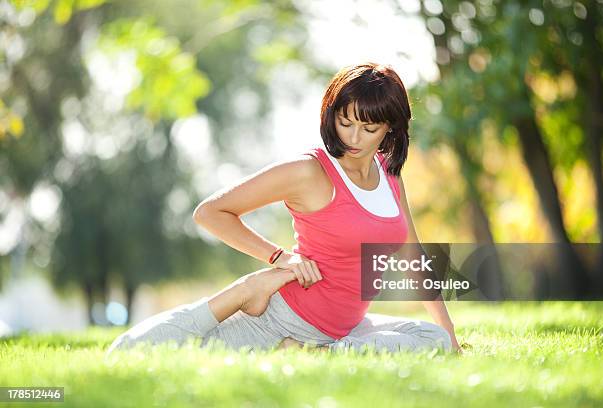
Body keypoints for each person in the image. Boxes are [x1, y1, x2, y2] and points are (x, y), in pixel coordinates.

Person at [106, 62, 462, 357]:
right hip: (283, 319)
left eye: (368, 128)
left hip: (347, 328)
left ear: (389, 130)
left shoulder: (390, 177)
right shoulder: (308, 172)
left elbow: (412, 256)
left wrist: (451, 338)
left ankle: (317, 353)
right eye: (345, 122)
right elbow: (210, 212)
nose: (353, 139)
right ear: (331, 115)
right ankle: (247, 291)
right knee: (134, 351)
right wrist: (277, 257)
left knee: (433, 340)